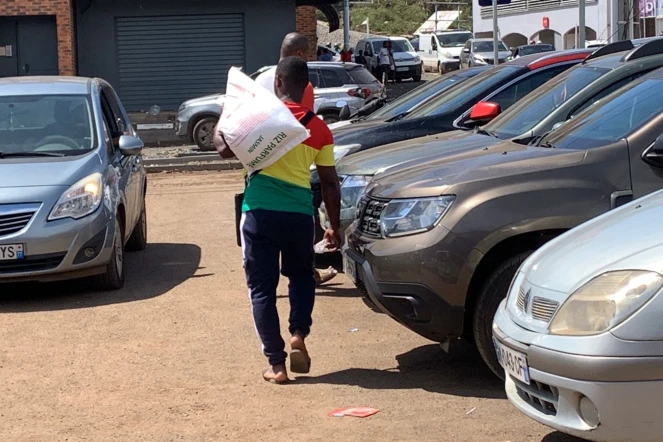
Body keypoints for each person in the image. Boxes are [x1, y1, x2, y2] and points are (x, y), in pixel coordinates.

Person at [214, 57, 342, 384]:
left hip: (259, 213)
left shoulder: (261, 120)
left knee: (262, 289)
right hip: (300, 215)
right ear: (307, 88)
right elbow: (329, 181)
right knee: (300, 277)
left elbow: (223, 150)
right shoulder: (318, 127)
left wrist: (224, 119)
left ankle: (276, 364)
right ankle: (298, 331)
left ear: (278, 84)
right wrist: (333, 225)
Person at [254, 32, 338, 286]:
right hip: (295, 172)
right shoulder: (303, 86)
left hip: (259, 168)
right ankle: (308, 272)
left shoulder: (260, 79)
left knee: (262, 232)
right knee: (303, 218)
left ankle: (263, 279)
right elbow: (304, 125)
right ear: (300, 55)